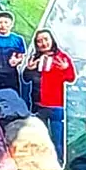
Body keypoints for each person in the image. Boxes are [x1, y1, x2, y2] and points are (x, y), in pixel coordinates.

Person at [24, 29, 75, 161]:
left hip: (55, 105)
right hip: (37, 106)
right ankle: (43, 165)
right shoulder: (34, 58)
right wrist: (29, 69)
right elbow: (26, 78)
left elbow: (70, 78)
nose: (43, 43)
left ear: (52, 40)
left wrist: (65, 69)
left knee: (57, 139)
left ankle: (58, 165)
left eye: (46, 39)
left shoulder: (61, 57)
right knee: (40, 139)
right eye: (39, 41)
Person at [0, 11, 26, 91]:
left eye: (6, 22)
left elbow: (21, 56)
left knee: (13, 99)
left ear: (11, 24)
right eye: (0, 22)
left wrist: (17, 61)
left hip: (11, 75)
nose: (3, 25)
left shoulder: (18, 39)